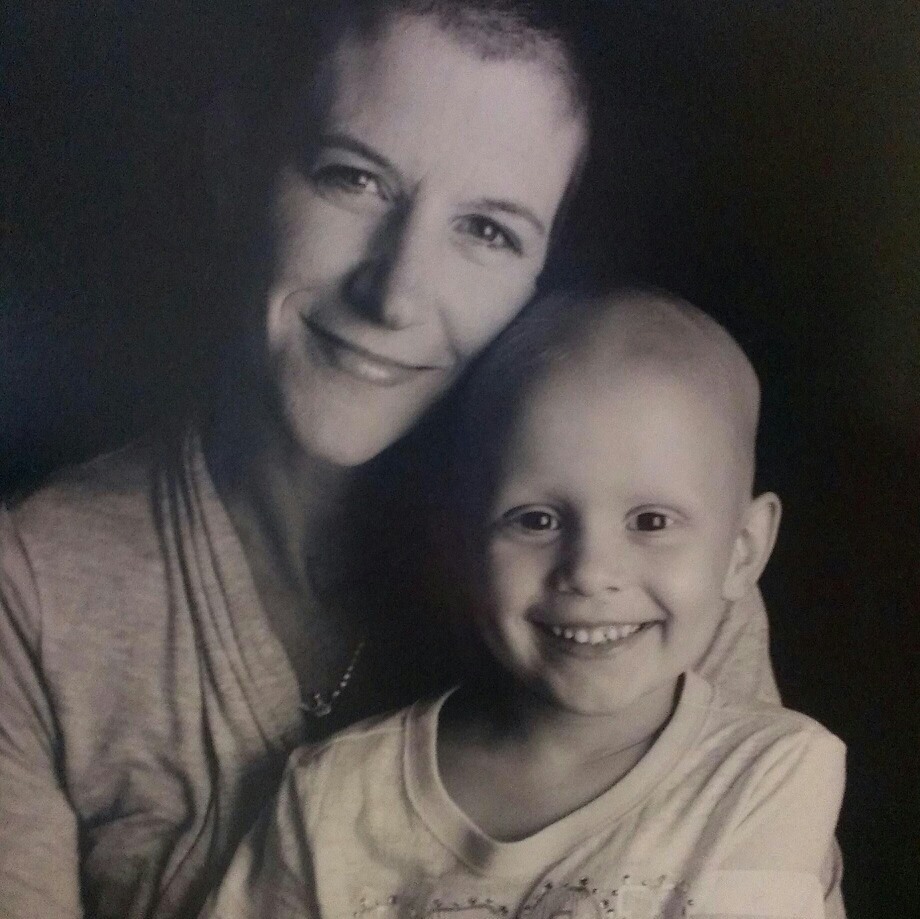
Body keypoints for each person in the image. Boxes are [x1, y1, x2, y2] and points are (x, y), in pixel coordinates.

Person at [0, 4, 780, 918]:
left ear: (541, 272)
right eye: (354, 178)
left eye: (487, 230)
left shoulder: (630, 578)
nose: (395, 292)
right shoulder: (38, 589)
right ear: (235, 162)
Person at [206, 290, 846, 919]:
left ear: (742, 550)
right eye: (535, 520)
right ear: (457, 545)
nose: (590, 572)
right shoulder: (332, 795)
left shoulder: (770, 773)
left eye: (651, 521)